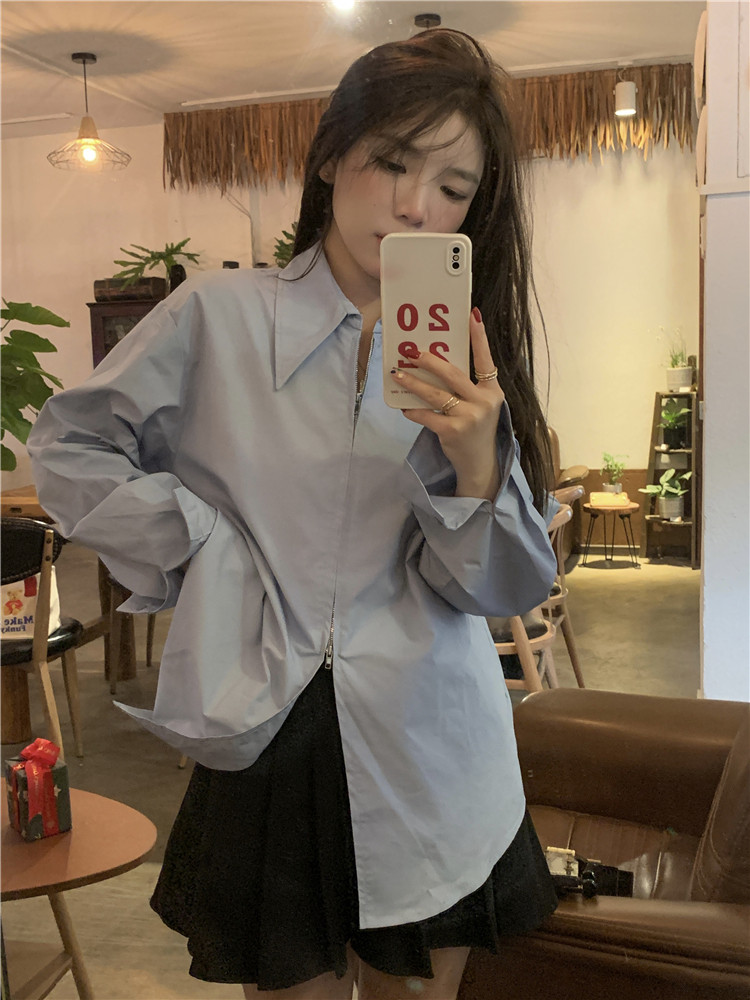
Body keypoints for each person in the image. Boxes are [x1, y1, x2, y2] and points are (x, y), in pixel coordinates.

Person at [28, 27, 559, 1000]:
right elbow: (68, 446)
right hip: (266, 728)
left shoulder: (466, 352)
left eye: (453, 186)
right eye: (392, 161)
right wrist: (200, 540)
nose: (416, 205)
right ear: (329, 156)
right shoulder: (216, 316)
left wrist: (478, 462)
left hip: (433, 743)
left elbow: (500, 589)